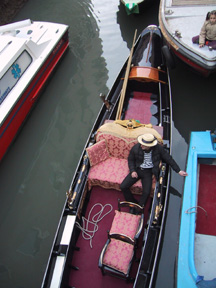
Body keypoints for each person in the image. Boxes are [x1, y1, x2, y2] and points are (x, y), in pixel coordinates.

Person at [120, 133, 188, 207]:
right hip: (137, 169)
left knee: (146, 192)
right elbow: (131, 160)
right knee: (123, 186)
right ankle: (132, 203)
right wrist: (133, 171)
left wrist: (178, 171)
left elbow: (168, 159)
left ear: (150, 146)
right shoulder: (136, 148)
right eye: (141, 143)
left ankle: (139, 207)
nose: (141, 145)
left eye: (144, 145)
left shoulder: (158, 149)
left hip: (148, 172)